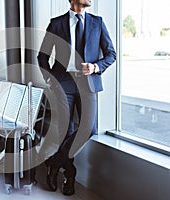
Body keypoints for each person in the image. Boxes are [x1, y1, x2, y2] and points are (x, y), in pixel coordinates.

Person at [37, 0, 116, 196]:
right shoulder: (56, 24)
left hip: (88, 84)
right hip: (63, 82)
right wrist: (50, 78)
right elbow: (42, 56)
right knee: (66, 130)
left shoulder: (98, 22)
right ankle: (70, 176)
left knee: (89, 128)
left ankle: (54, 163)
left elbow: (111, 54)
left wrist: (95, 67)